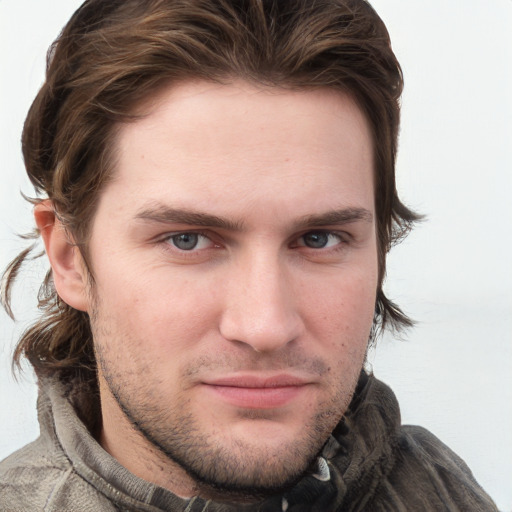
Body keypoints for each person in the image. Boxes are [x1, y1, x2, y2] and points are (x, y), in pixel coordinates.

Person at [0, 0, 499, 510]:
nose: (265, 326)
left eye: (319, 238)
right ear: (69, 258)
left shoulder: (441, 491)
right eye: (187, 240)